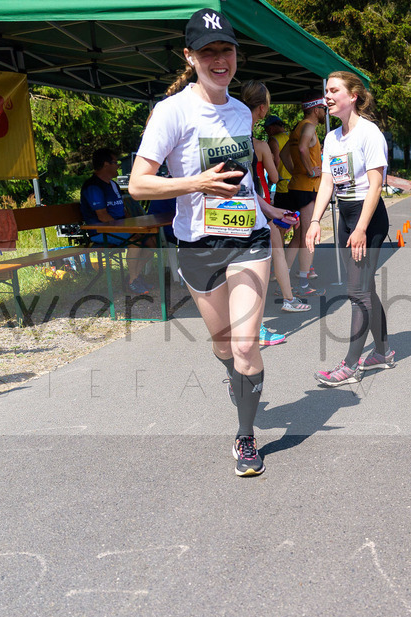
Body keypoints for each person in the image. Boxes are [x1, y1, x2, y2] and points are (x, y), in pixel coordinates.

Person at [128, 7, 296, 477]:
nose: (219, 60)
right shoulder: (172, 111)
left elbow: (237, 185)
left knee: (245, 345)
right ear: (191, 56)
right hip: (199, 245)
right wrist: (194, 184)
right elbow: (139, 185)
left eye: (226, 50)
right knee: (224, 347)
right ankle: (236, 378)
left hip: (248, 238)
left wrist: (267, 209)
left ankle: (245, 436)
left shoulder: (242, 112)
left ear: (236, 55)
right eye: (208, 52)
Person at [306, 71, 394, 387]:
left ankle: (350, 366)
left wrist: (360, 228)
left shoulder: (369, 134)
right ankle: (382, 352)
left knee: (356, 292)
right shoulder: (332, 138)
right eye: (325, 91)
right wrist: (315, 221)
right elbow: (328, 181)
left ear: (352, 96)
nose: (327, 96)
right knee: (364, 288)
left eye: (334, 90)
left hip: (367, 219)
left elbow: (375, 185)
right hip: (345, 216)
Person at [240, 81, 310, 316]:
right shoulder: (258, 144)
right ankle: (279, 304)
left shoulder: (240, 139)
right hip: (258, 204)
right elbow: (274, 174)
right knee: (268, 254)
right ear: (262, 109)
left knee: (251, 258)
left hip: (243, 205)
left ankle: (260, 312)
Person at [80, 148, 156, 295]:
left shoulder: (113, 184)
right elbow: (102, 217)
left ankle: (133, 277)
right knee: (136, 240)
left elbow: (123, 211)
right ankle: (133, 281)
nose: (119, 166)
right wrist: (128, 228)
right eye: (115, 162)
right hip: (100, 231)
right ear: (105, 164)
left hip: (118, 228)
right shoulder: (93, 186)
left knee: (152, 241)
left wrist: (132, 224)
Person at [287, 93, 327, 294]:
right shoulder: (309, 127)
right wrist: (310, 169)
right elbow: (303, 148)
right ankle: (303, 284)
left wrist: (295, 170)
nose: (324, 113)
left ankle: (283, 276)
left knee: (299, 235)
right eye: (323, 109)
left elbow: (285, 153)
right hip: (307, 187)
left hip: (296, 184)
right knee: (308, 235)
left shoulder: (298, 127)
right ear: (315, 109)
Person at [264, 115, 289, 204]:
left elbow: (276, 161)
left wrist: (271, 178)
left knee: (283, 216)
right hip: (297, 183)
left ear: (270, 128)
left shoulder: (274, 140)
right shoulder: (293, 136)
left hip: (283, 185)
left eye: (267, 130)